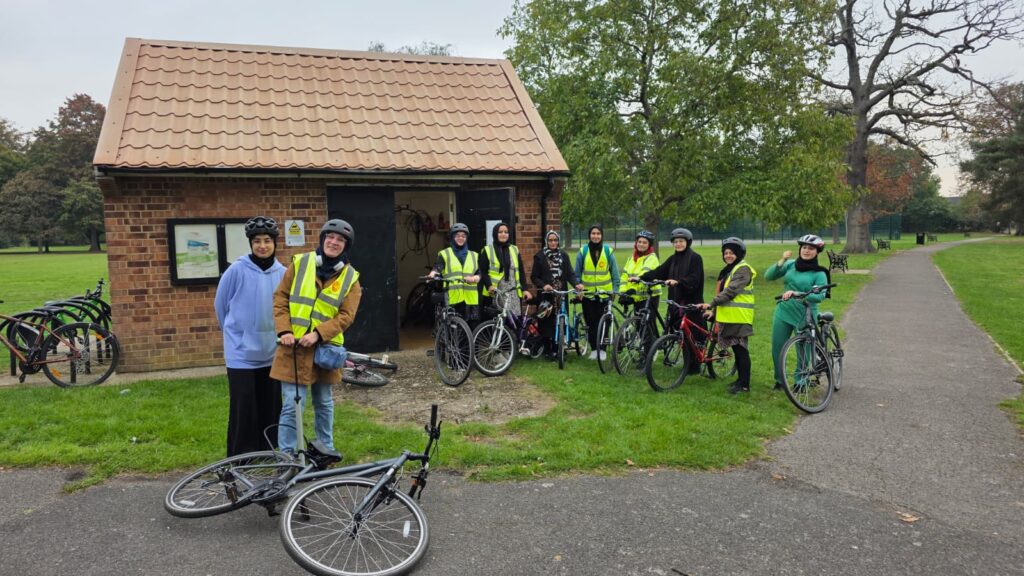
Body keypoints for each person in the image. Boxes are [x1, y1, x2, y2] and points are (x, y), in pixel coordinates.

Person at [271, 219, 362, 455]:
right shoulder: (300, 263)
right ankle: (287, 456)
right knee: (291, 405)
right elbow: (280, 298)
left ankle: (326, 451)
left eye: (340, 240)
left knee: (323, 403)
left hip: (325, 351)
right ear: (322, 239)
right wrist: (285, 331)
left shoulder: (351, 278)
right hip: (293, 348)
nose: (334, 242)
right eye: (330, 237)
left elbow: (346, 316)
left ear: (346, 246)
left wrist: (318, 334)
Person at [214, 216, 287, 456]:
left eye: (267, 240)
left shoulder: (284, 273)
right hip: (241, 352)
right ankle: (241, 455)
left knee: (270, 404)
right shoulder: (236, 269)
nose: (262, 246)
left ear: (275, 243)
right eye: (257, 241)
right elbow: (221, 306)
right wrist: (237, 334)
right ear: (250, 244)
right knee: (243, 406)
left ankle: (267, 451)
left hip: (272, 351)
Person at [764, 234, 830, 389]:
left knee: (803, 350)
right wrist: (782, 260)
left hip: (805, 314)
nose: (806, 251)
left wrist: (797, 294)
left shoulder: (819, 273)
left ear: (817, 252)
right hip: (784, 311)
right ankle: (780, 380)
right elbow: (768, 276)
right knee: (777, 347)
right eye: (804, 247)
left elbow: (819, 296)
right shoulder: (791, 264)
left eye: (811, 248)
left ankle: (800, 380)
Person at [640, 227, 705, 372]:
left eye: (681, 241)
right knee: (679, 333)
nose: (678, 244)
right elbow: (659, 271)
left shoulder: (695, 258)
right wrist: (640, 278)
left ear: (687, 242)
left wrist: (679, 282)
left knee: (691, 335)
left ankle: (694, 366)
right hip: (675, 301)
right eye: (676, 242)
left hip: (690, 303)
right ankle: (687, 363)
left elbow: (695, 279)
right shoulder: (673, 259)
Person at [697, 237, 756, 394]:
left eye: (731, 253)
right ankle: (740, 380)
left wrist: (711, 303)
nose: (728, 255)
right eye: (726, 253)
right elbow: (722, 293)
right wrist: (714, 312)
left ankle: (744, 385)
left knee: (741, 350)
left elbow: (731, 291)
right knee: (737, 350)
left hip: (739, 317)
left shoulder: (743, 269)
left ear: (739, 254)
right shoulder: (729, 270)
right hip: (729, 317)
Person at [530, 230, 583, 360]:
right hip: (546, 295)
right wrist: (544, 285)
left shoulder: (564, 255)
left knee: (561, 320)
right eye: (550, 240)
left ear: (558, 241)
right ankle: (548, 350)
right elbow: (534, 277)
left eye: (555, 240)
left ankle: (559, 348)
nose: (553, 243)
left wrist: (576, 284)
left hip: (561, 295)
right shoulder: (540, 256)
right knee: (546, 322)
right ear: (546, 241)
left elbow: (570, 273)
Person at [574, 224, 620, 359]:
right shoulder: (582, 252)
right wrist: (578, 288)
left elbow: (615, 273)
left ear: (602, 235)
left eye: (598, 233)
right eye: (593, 233)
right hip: (588, 295)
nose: (595, 236)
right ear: (589, 235)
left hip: (604, 294)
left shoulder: (608, 251)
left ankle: (603, 350)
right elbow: (576, 274)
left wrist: (615, 291)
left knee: (604, 322)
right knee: (591, 323)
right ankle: (594, 349)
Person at [428, 222, 480, 326]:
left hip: (471, 299)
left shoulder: (474, 255)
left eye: (463, 236)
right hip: (453, 298)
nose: (460, 238)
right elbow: (438, 267)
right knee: (454, 330)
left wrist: (475, 278)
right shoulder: (445, 254)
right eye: (457, 236)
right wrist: (433, 274)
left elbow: (479, 273)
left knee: (471, 330)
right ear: (452, 237)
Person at [479, 222, 532, 316]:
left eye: (506, 232)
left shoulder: (514, 249)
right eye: (500, 232)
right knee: (496, 323)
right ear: (495, 234)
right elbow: (483, 271)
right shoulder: (487, 250)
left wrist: (525, 289)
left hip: (513, 291)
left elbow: (520, 271)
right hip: (495, 291)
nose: (503, 234)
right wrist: (489, 285)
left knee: (513, 323)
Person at [619, 230, 662, 326]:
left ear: (649, 245)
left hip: (650, 296)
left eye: (644, 242)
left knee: (647, 327)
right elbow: (625, 276)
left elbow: (643, 277)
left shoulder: (651, 258)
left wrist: (631, 291)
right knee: (639, 326)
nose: (641, 244)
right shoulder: (631, 258)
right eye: (639, 242)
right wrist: (623, 292)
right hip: (637, 297)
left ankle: (655, 341)